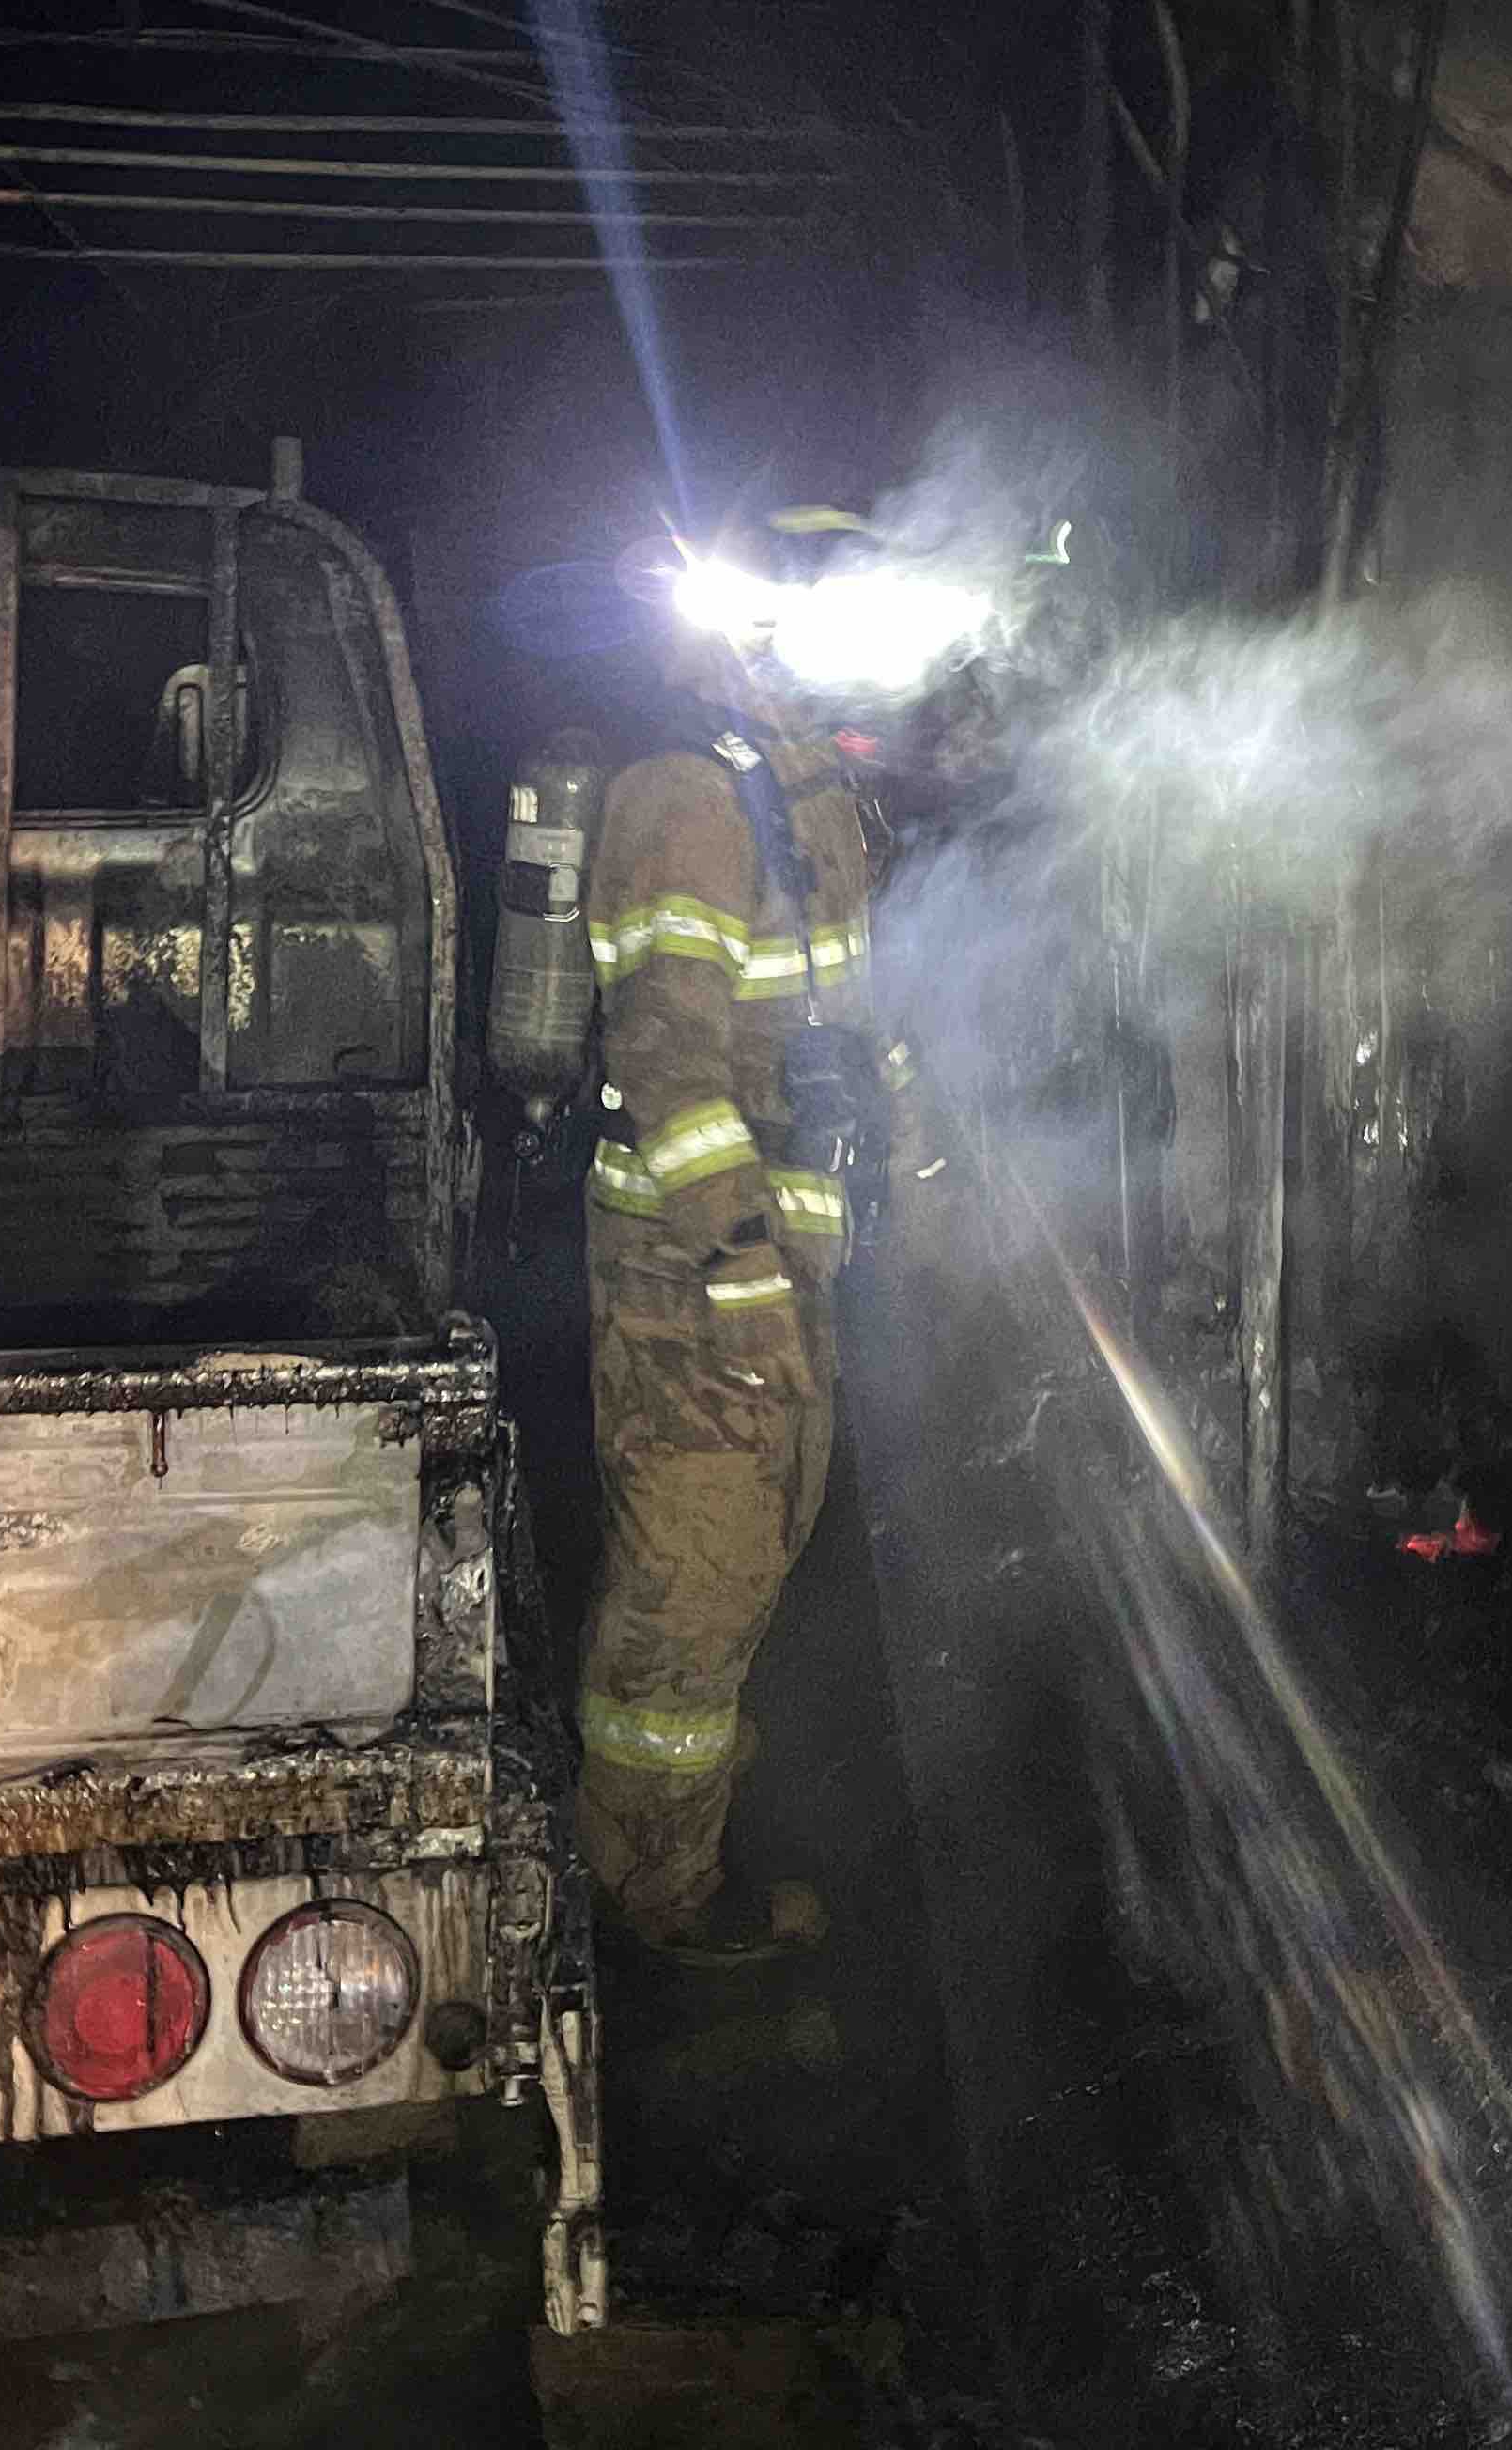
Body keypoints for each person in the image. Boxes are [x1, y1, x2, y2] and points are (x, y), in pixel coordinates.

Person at [572, 509, 948, 1964]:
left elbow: (849, 1018)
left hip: (785, 1256)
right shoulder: (688, 794)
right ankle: (650, 1903)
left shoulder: (809, 793)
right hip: (694, 1274)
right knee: (695, 1581)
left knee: (751, 1556)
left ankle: (677, 1844)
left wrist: (914, 1167)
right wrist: (736, 1265)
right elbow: (665, 1055)